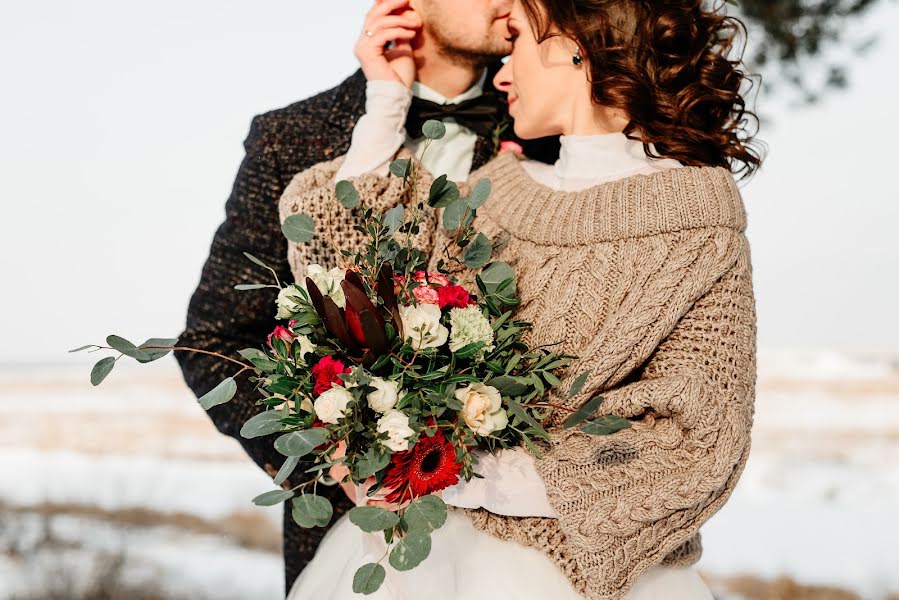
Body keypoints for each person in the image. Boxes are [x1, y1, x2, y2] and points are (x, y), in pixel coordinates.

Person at [279, 0, 763, 598]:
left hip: (579, 576)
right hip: (414, 557)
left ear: (572, 45)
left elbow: (698, 443)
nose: (502, 73)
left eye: (516, 45)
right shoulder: (492, 191)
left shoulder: (701, 226)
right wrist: (386, 101)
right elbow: (348, 270)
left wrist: (469, 473)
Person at [175, 0, 558, 595]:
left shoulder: (553, 130)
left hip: (521, 553)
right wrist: (325, 455)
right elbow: (214, 341)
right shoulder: (291, 137)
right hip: (349, 544)